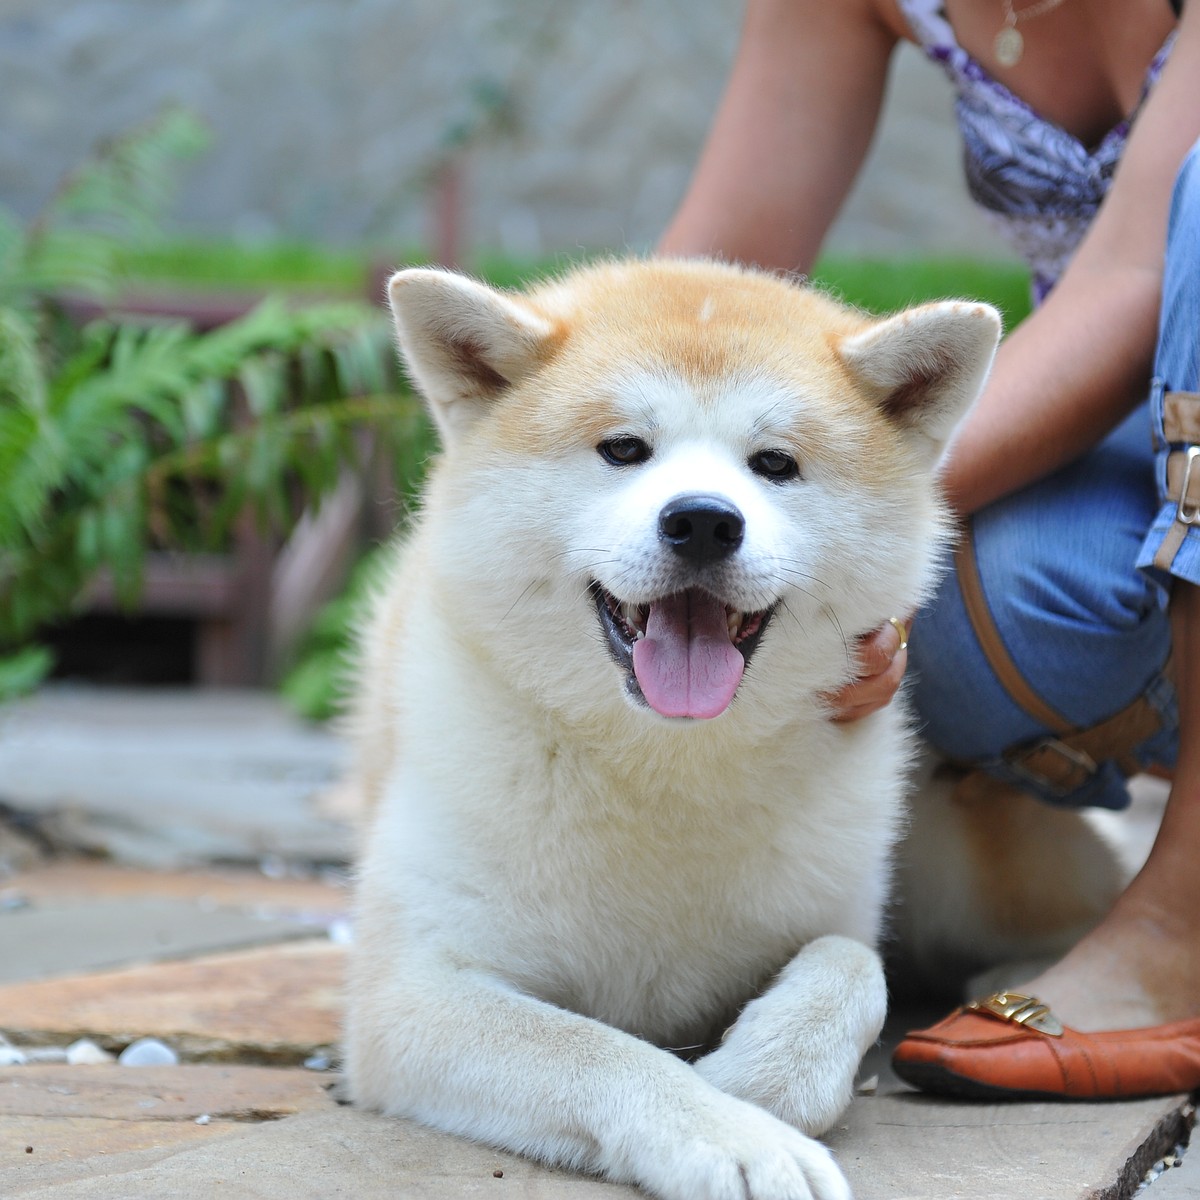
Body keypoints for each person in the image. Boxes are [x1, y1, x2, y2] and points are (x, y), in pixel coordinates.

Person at [660, 0, 1200, 1099]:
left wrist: (846, 517)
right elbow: (711, 282)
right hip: (1146, 457)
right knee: (958, 616)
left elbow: (1133, 279)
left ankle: (1187, 917)